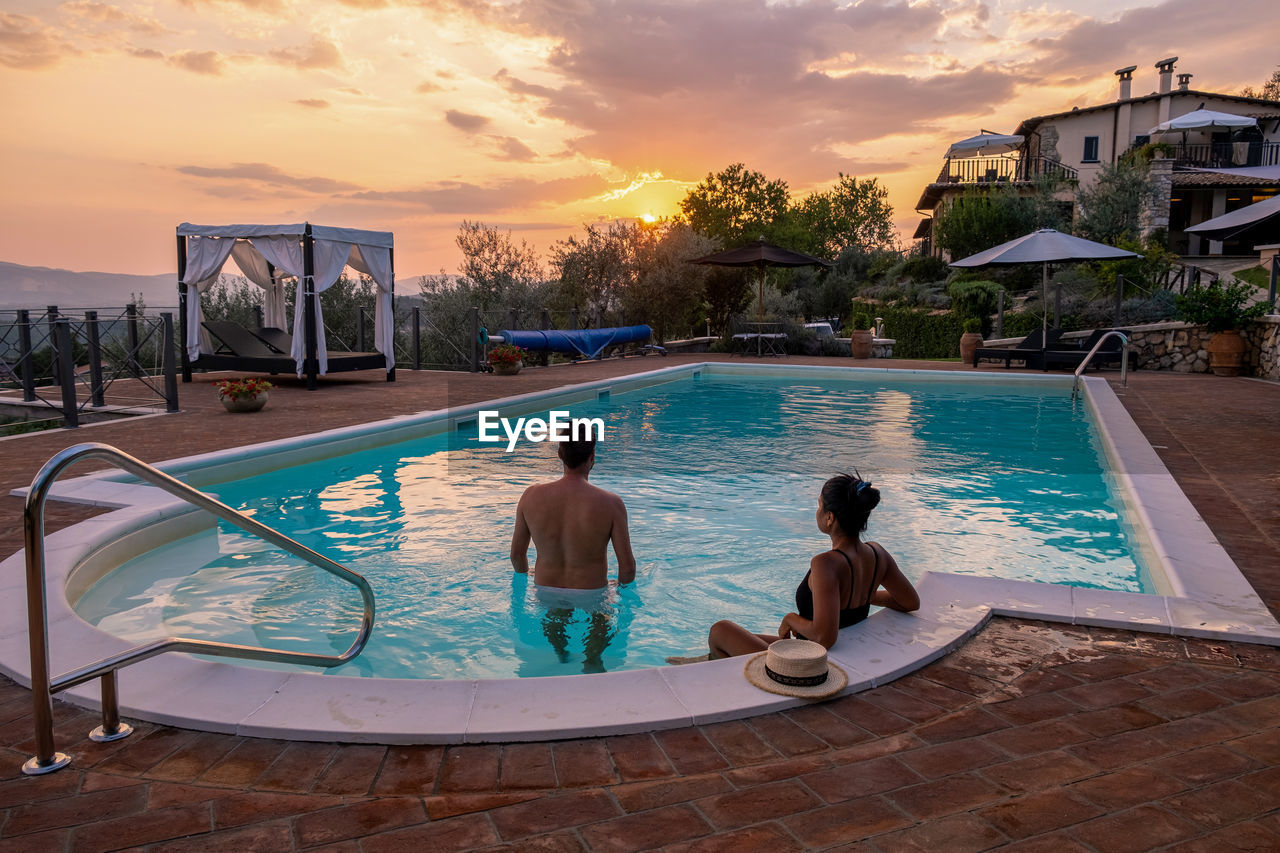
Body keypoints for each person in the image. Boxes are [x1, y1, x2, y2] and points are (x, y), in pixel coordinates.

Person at [705, 473, 919, 659]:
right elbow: (910, 602)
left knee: (719, 632)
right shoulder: (878, 553)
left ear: (829, 518)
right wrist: (868, 595)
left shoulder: (826, 563)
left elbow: (824, 638)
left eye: (819, 505)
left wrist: (790, 619)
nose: (816, 511)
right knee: (743, 639)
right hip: (817, 650)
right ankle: (712, 660)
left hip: (810, 663)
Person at [510, 436, 636, 590]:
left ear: (560, 454)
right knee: (600, 613)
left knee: (552, 614)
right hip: (592, 594)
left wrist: (524, 575)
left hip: (546, 590)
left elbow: (516, 556)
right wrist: (619, 590)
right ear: (592, 455)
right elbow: (628, 569)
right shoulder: (612, 503)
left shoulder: (530, 496)